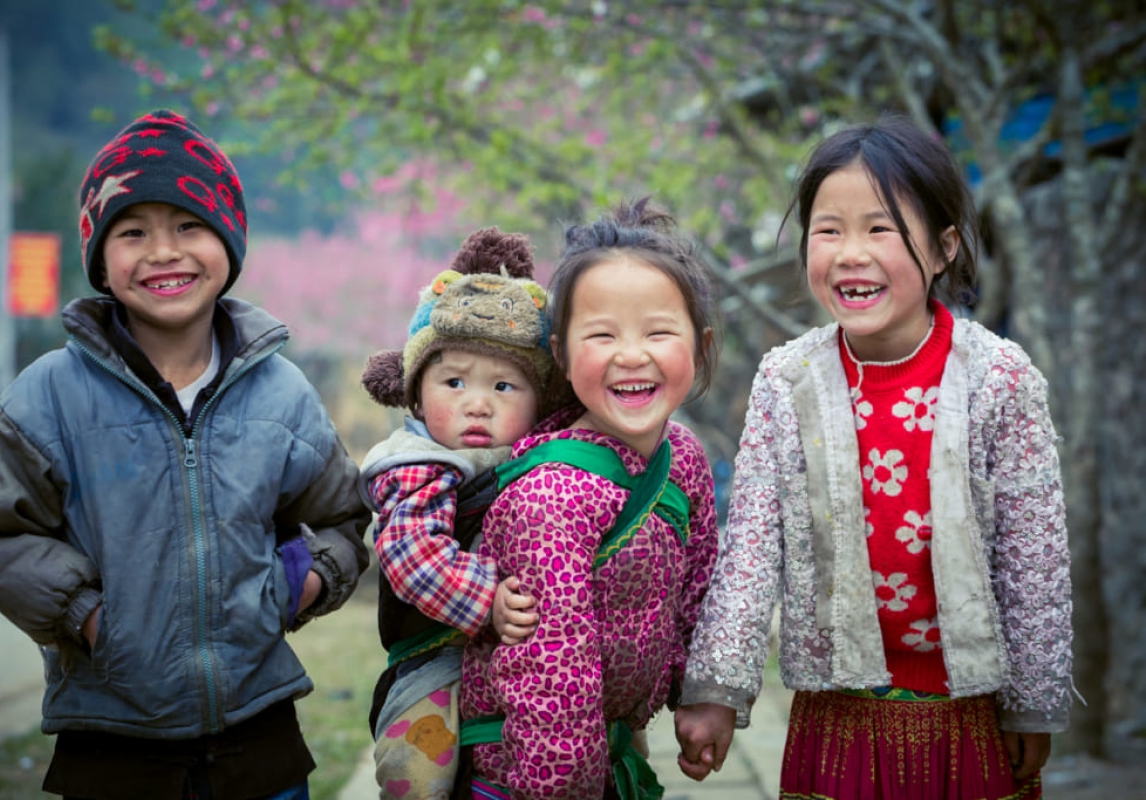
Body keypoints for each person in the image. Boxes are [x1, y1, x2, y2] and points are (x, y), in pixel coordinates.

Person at [0, 109, 372, 800]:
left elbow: (343, 519)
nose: (162, 252)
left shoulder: (282, 393)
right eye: (132, 231)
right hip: (111, 747)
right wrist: (87, 616)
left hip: (260, 744)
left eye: (189, 226)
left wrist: (304, 583)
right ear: (101, 259)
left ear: (228, 243)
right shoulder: (49, 396)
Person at [675, 116, 1073, 800]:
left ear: (944, 246)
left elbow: (1034, 559)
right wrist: (718, 689)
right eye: (829, 230)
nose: (850, 253)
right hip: (836, 714)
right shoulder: (786, 379)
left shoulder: (999, 379)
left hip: (968, 710)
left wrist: (1033, 701)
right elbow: (749, 551)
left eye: (880, 229)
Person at [458, 198, 722, 799]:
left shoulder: (681, 457)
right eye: (602, 335)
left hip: (611, 751)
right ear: (561, 353)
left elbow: (697, 591)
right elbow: (553, 674)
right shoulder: (550, 495)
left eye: (659, 331)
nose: (632, 354)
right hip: (532, 772)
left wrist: (700, 697)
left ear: (700, 346)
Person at [357, 227, 553, 800]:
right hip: (433, 657)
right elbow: (412, 554)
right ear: (416, 395)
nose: (477, 402)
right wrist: (486, 597)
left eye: (503, 385)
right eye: (454, 381)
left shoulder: (537, 455)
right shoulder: (419, 463)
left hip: (512, 658)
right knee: (417, 764)